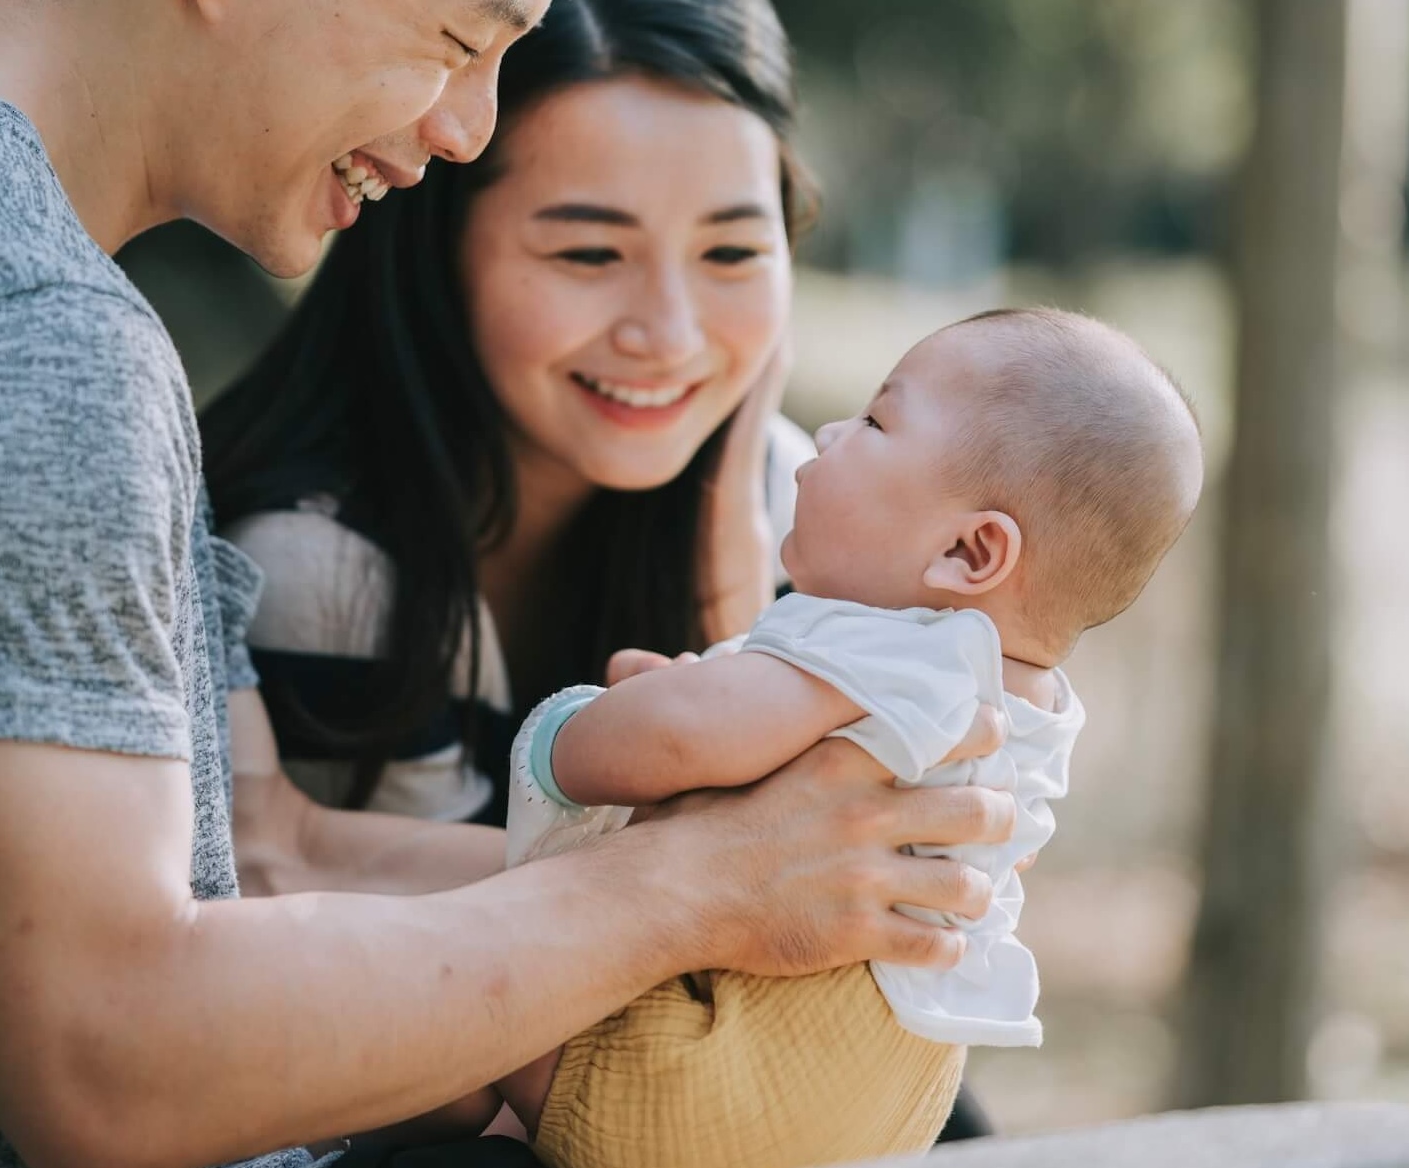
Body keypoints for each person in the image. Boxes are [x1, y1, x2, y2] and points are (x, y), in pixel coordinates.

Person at [0, 0, 1014, 1168]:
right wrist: (693, 882)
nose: (462, 130)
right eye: (461, 41)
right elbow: (104, 1057)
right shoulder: (22, 348)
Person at [487, 308, 1204, 1168]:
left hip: (702, 1081)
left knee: (474, 1003)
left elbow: (675, 743)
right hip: (887, 1098)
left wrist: (569, 732)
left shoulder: (893, 643)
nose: (828, 430)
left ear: (971, 553)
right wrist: (710, 688)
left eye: (874, 421)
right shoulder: (1023, 697)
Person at [200, 0, 817, 830]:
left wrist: (735, 602)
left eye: (731, 251)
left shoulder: (787, 497)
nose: (670, 335)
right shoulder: (322, 575)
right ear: (437, 248)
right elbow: (484, 954)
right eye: (589, 253)